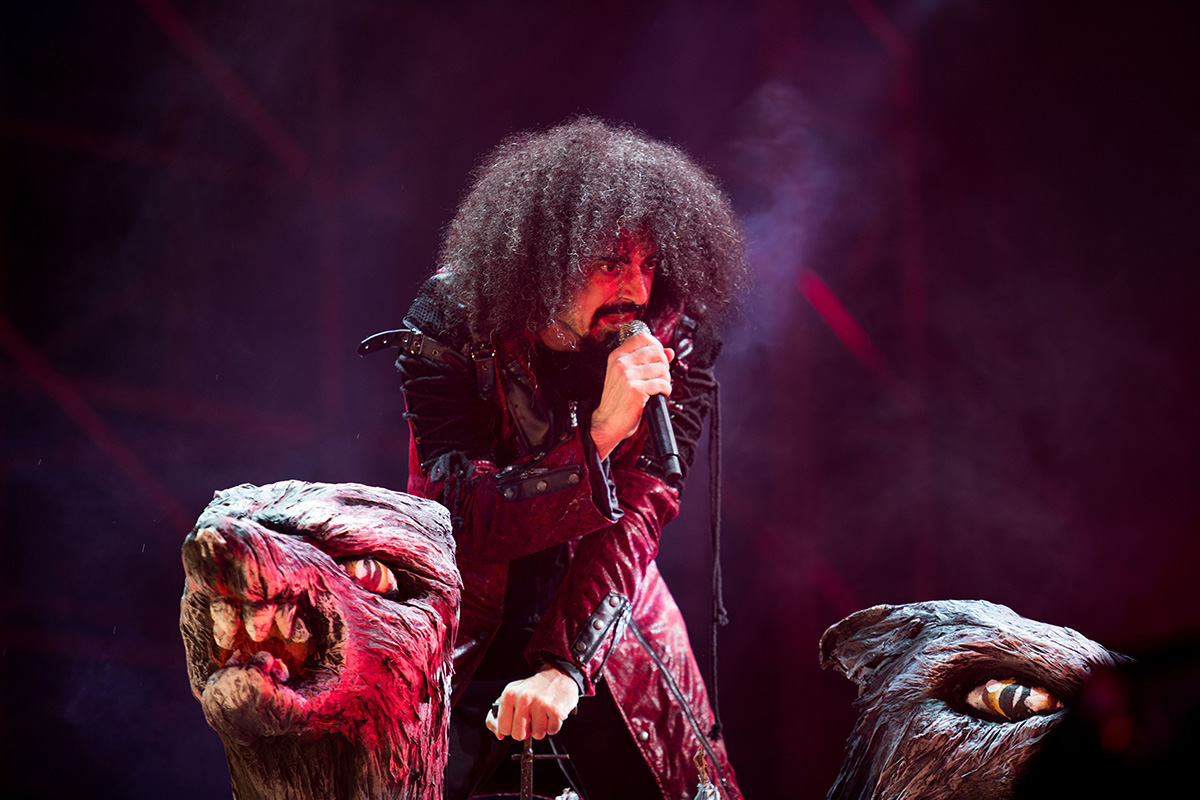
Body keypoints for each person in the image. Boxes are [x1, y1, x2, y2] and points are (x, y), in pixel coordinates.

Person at [365, 117, 746, 800]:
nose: (636, 290)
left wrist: (566, 667)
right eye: (611, 263)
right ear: (544, 261)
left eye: (648, 263)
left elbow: (642, 512)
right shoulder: (454, 318)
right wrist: (597, 439)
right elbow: (461, 518)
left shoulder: (673, 334)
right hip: (463, 632)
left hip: (606, 626)